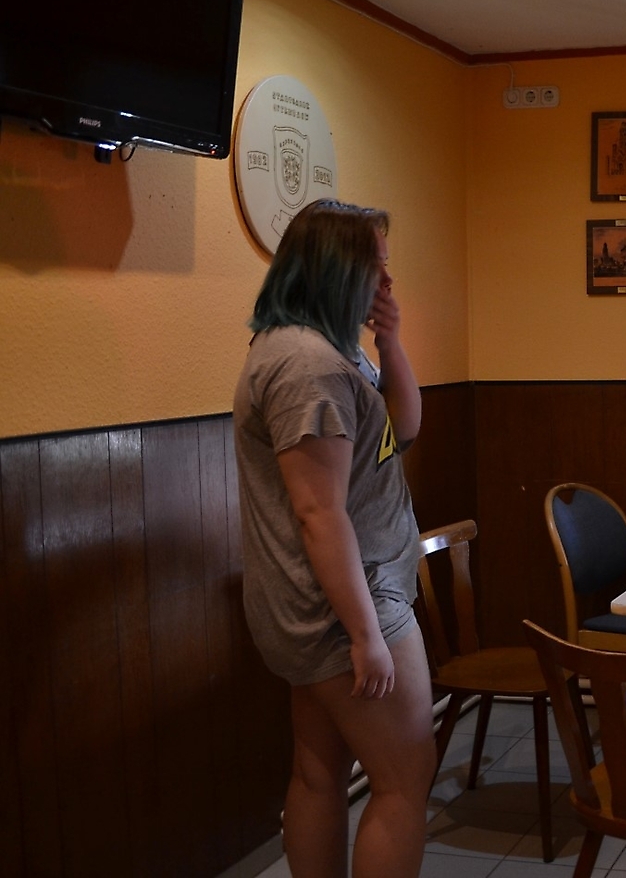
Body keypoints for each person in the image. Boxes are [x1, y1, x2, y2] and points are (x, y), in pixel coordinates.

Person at [233, 198, 434, 878]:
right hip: (346, 605)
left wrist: (390, 342)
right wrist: (366, 635)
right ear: (334, 269)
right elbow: (319, 514)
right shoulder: (308, 365)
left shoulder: (323, 350)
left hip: (321, 603)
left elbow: (402, 430)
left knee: (319, 772)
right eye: (376, 266)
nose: (387, 280)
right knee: (404, 779)